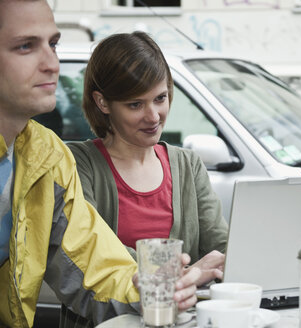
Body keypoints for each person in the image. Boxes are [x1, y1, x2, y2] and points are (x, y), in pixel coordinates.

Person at [0, 1, 200, 327]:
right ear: (102, 103)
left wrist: (145, 290)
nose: (52, 63)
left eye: (53, 44)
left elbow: (95, 265)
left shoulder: (46, 155)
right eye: (25, 46)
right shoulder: (72, 158)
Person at [63, 31, 229, 326]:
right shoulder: (77, 165)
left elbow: (223, 250)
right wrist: (187, 274)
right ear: (102, 103)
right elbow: (93, 254)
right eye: (135, 105)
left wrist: (214, 267)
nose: (154, 116)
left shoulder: (188, 165)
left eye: (160, 98)